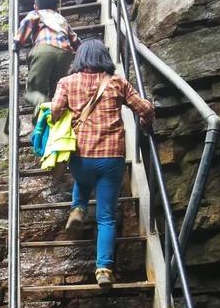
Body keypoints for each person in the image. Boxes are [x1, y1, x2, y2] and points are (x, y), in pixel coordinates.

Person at [50, 39, 155, 288]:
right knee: (106, 217)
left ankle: (77, 208)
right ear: (104, 57)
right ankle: (104, 269)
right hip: (111, 157)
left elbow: (55, 111)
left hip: (81, 157)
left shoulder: (66, 82)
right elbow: (144, 108)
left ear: (80, 58)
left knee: (83, 179)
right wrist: (146, 123)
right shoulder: (117, 81)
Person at [13, 0, 81, 113]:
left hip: (44, 50)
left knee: (34, 91)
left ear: (36, 6)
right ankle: (51, 117)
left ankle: (40, 113)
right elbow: (74, 38)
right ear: (56, 7)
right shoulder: (61, 19)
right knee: (55, 90)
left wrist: (17, 43)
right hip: (65, 54)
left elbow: (26, 25)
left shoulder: (36, 13)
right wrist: (81, 51)